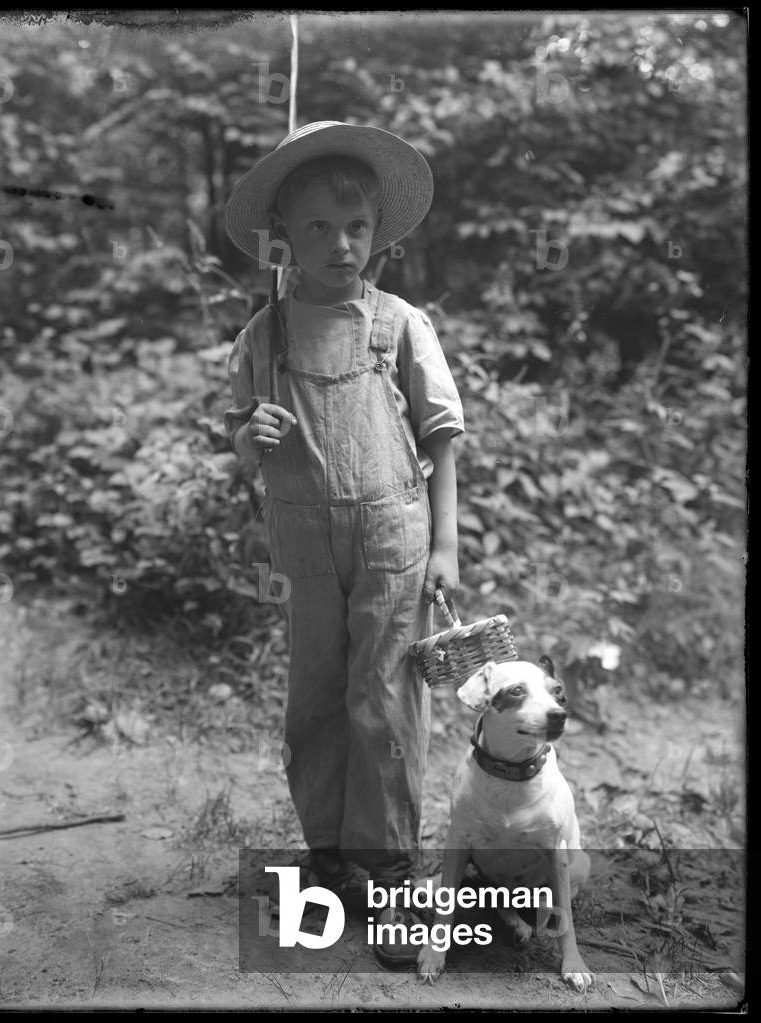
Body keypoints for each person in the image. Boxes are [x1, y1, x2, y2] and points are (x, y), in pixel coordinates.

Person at [223, 121, 464, 966]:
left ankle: (389, 867)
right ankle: (328, 855)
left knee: (387, 696)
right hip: (303, 540)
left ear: (378, 232)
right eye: (318, 227)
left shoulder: (400, 324)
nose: (340, 242)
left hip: (395, 531)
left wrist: (446, 543)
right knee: (316, 698)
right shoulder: (266, 333)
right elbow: (239, 437)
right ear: (284, 235)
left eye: (355, 226)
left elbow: (441, 436)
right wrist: (254, 430)